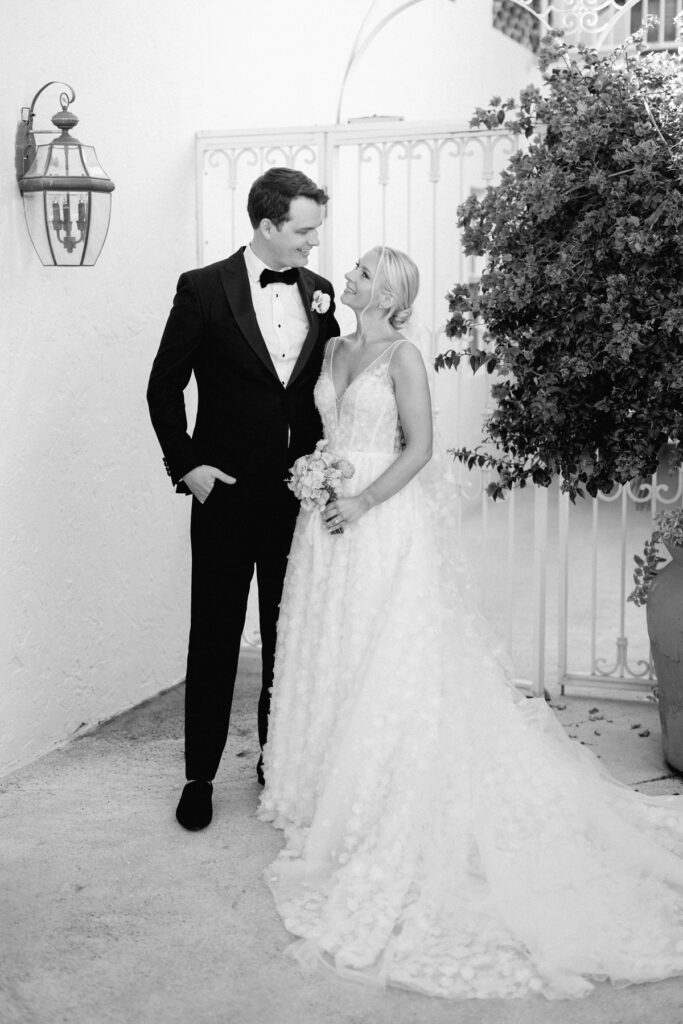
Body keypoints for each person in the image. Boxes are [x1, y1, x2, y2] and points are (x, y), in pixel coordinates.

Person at [258, 245, 683, 1000]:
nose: (347, 277)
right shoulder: (331, 346)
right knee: (328, 646)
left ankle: (385, 785)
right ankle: (323, 780)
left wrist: (358, 499)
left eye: (362, 273)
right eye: (353, 269)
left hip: (379, 523)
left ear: (387, 294)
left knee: (380, 655)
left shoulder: (404, 357)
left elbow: (419, 450)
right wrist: (317, 476)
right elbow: (322, 433)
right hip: (324, 526)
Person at [147, 167, 339, 831]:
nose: (313, 243)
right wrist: (188, 467)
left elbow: (323, 389)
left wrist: (331, 464)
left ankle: (273, 759)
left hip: (296, 497)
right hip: (225, 496)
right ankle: (198, 776)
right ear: (266, 225)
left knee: (287, 635)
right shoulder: (202, 289)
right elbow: (162, 386)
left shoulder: (319, 293)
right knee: (216, 636)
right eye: (303, 230)